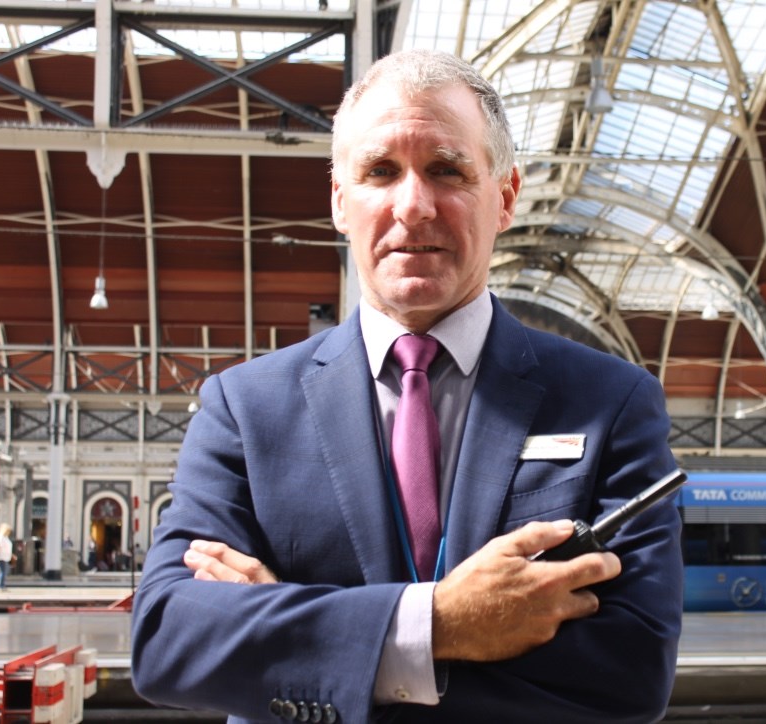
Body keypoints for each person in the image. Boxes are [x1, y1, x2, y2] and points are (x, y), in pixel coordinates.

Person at [131, 49, 682, 724]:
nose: (414, 205)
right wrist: (445, 623)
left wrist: (297, 638)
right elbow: (169, 638)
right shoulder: (246, 408)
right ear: (340, 200)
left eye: (447, 170)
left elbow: (630, 672)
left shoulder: (611, 404)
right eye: (380, 171)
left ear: (505, 196)